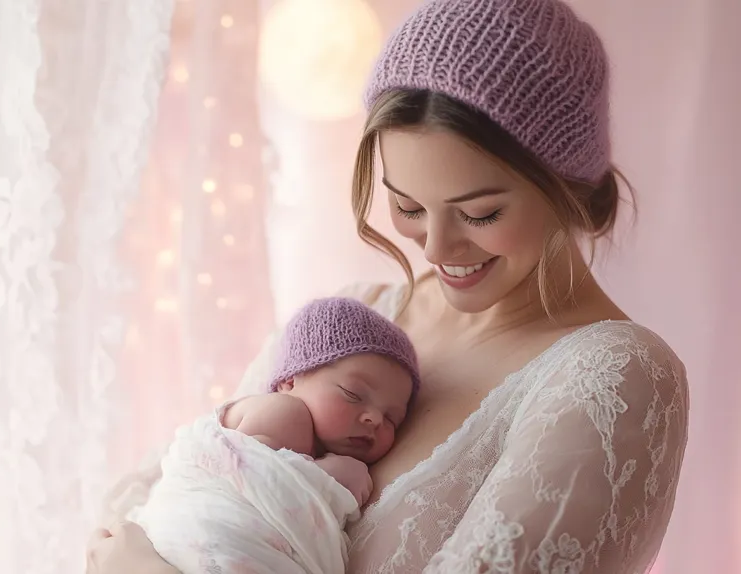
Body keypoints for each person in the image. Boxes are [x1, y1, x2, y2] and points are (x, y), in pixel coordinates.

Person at [86, 0, 690, 572]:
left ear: (570, 186)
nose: (434, 249)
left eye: (479, 214)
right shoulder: (357, 319)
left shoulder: (618, 376)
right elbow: (171, 486)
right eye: (407, 207)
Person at [113, 297, 420, 574]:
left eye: (393, 418)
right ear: (289, 382)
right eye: (353, 394)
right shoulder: (284, 412)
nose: (375, 419)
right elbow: (256, 480)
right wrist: (327, 479)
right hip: (196, 537)